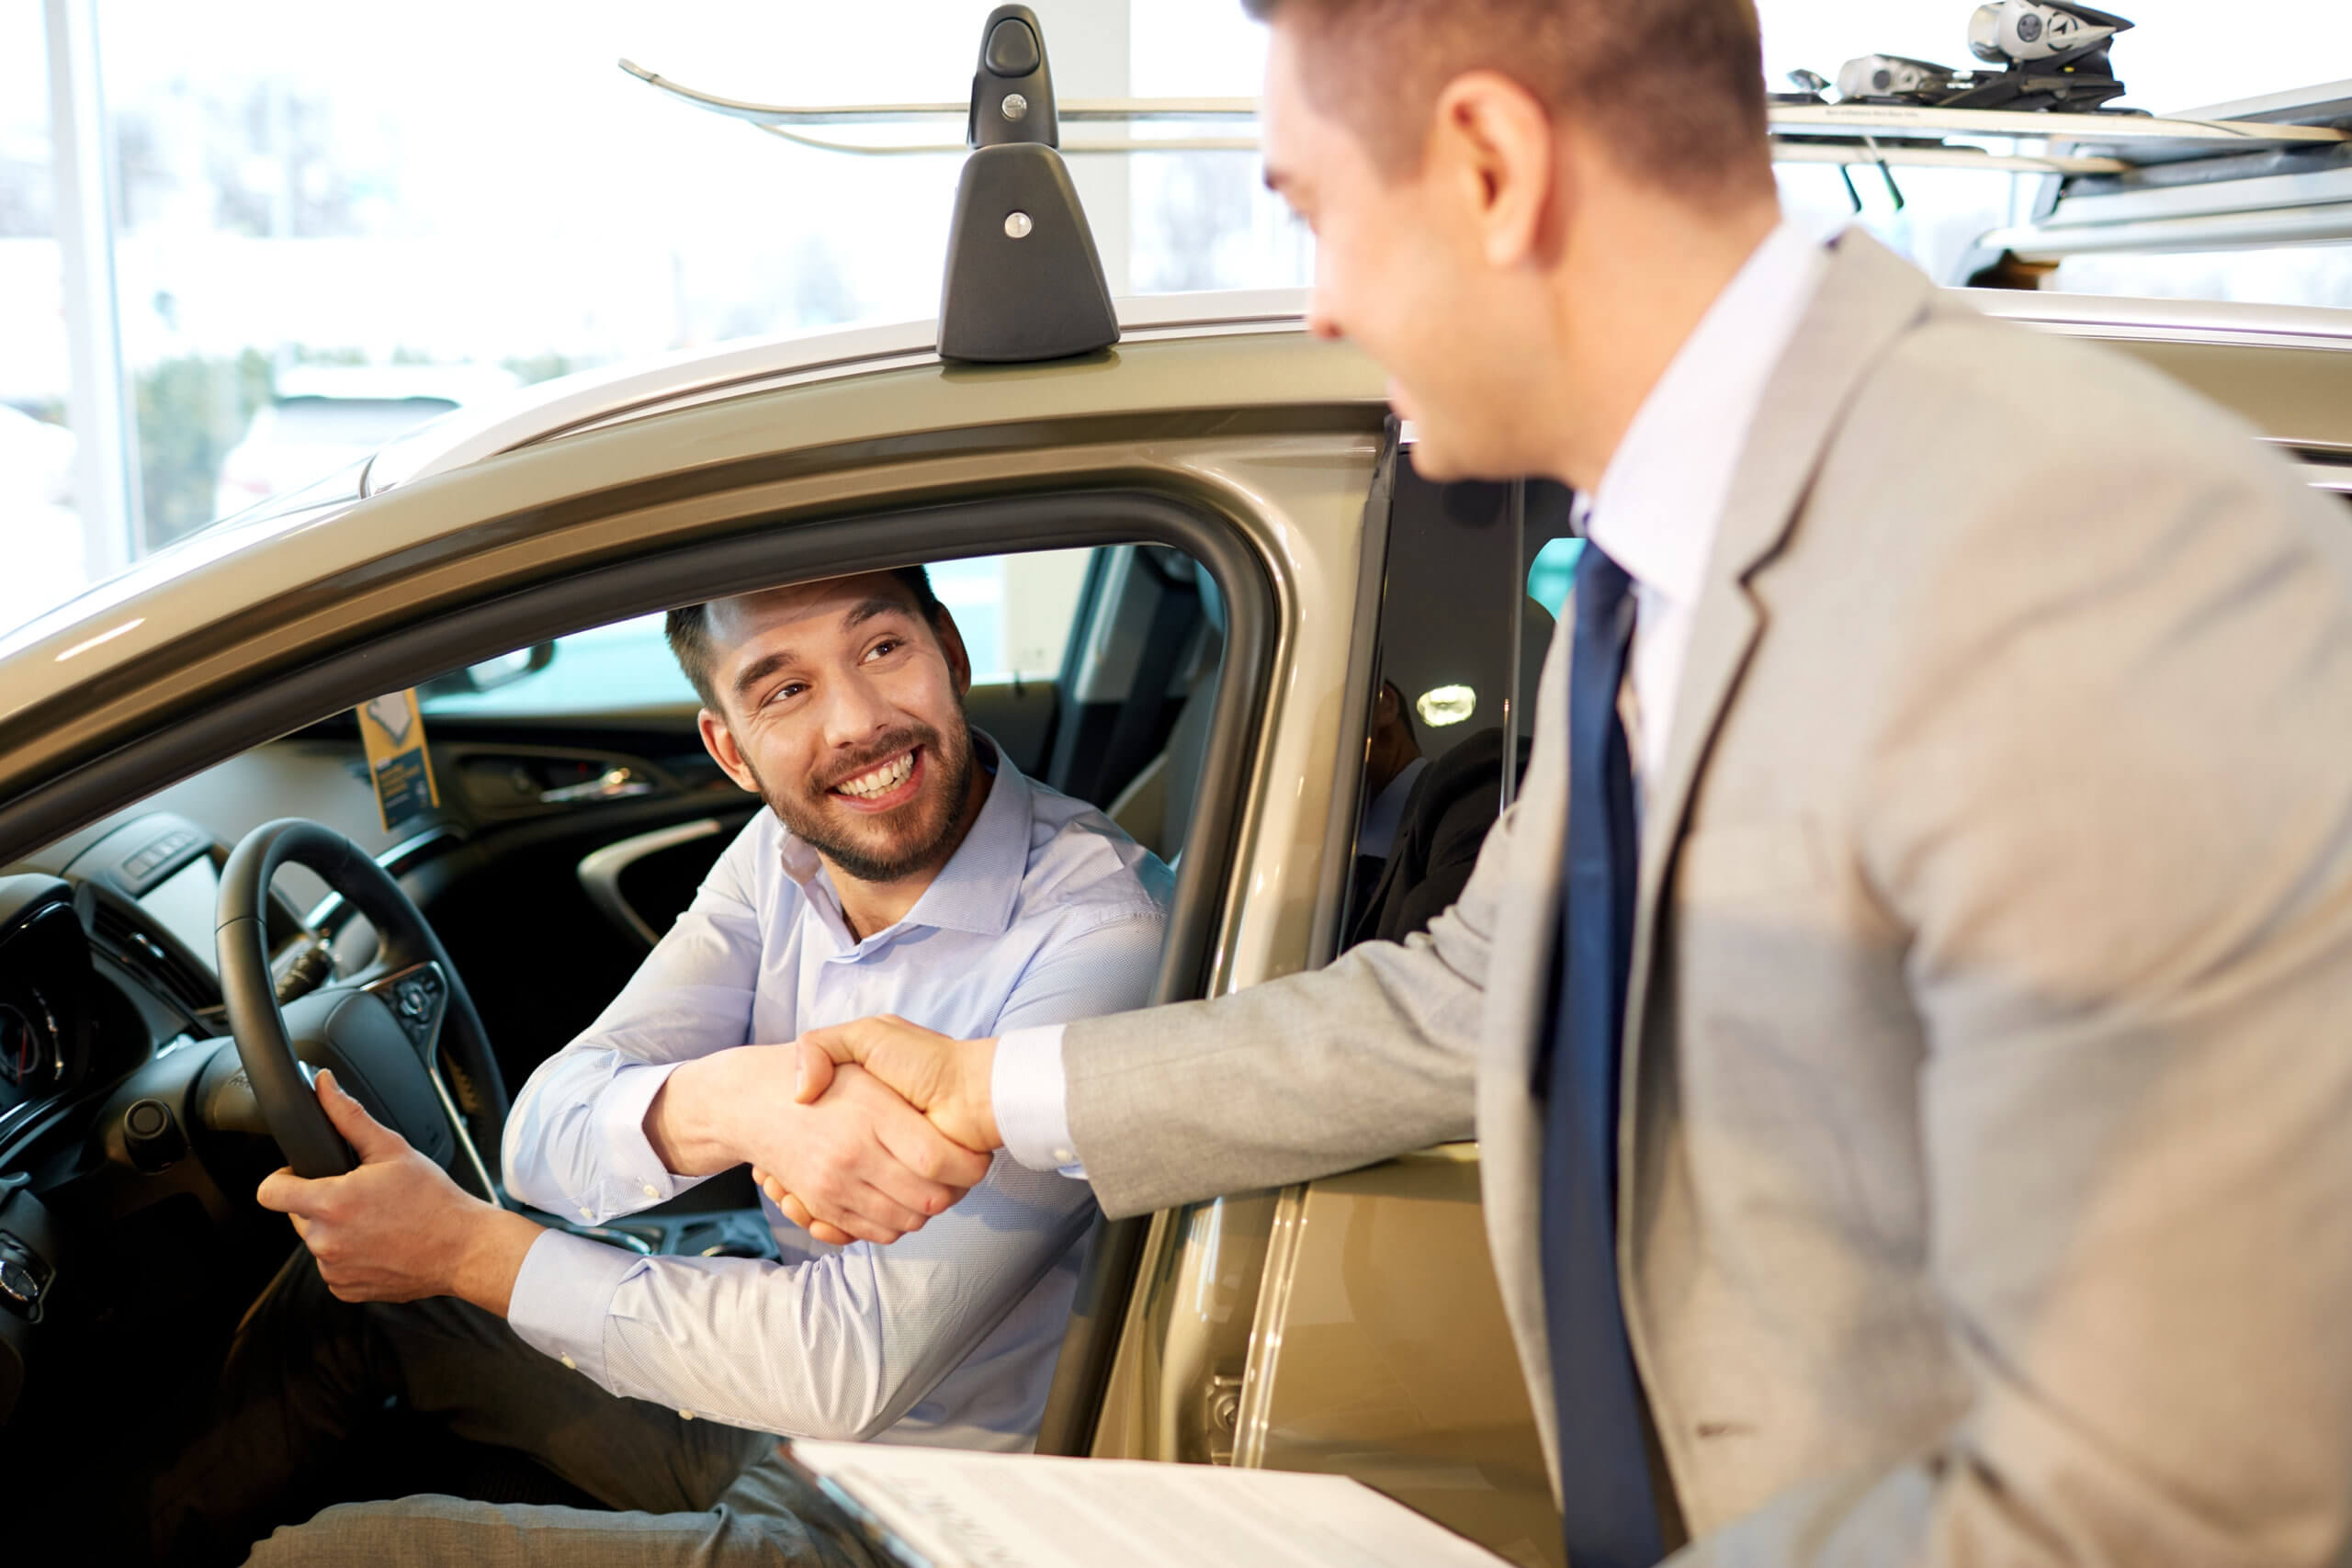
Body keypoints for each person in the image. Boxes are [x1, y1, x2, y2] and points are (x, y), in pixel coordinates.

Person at [767, 4, 2352, 1565]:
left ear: (1490, 164)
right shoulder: (1652, 572)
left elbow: (2168, 1495)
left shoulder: (2087, 566)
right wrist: (1001, 1090)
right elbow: (1479, 992)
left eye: (1317, 215)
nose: (1321, 308)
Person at [151, 566, 1172, 1567]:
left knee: (337, 1558)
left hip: (927, 1513)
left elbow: (852, 1366)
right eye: (786, 689)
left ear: (948, 652)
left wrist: (466, 1253)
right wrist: (739, 1101)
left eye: (882, 648)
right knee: (355, 1294)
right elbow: (542, 1139)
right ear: (731, 751)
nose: (857, 720)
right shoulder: (783, 858)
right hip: (776, 1421)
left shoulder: (1099, 933)